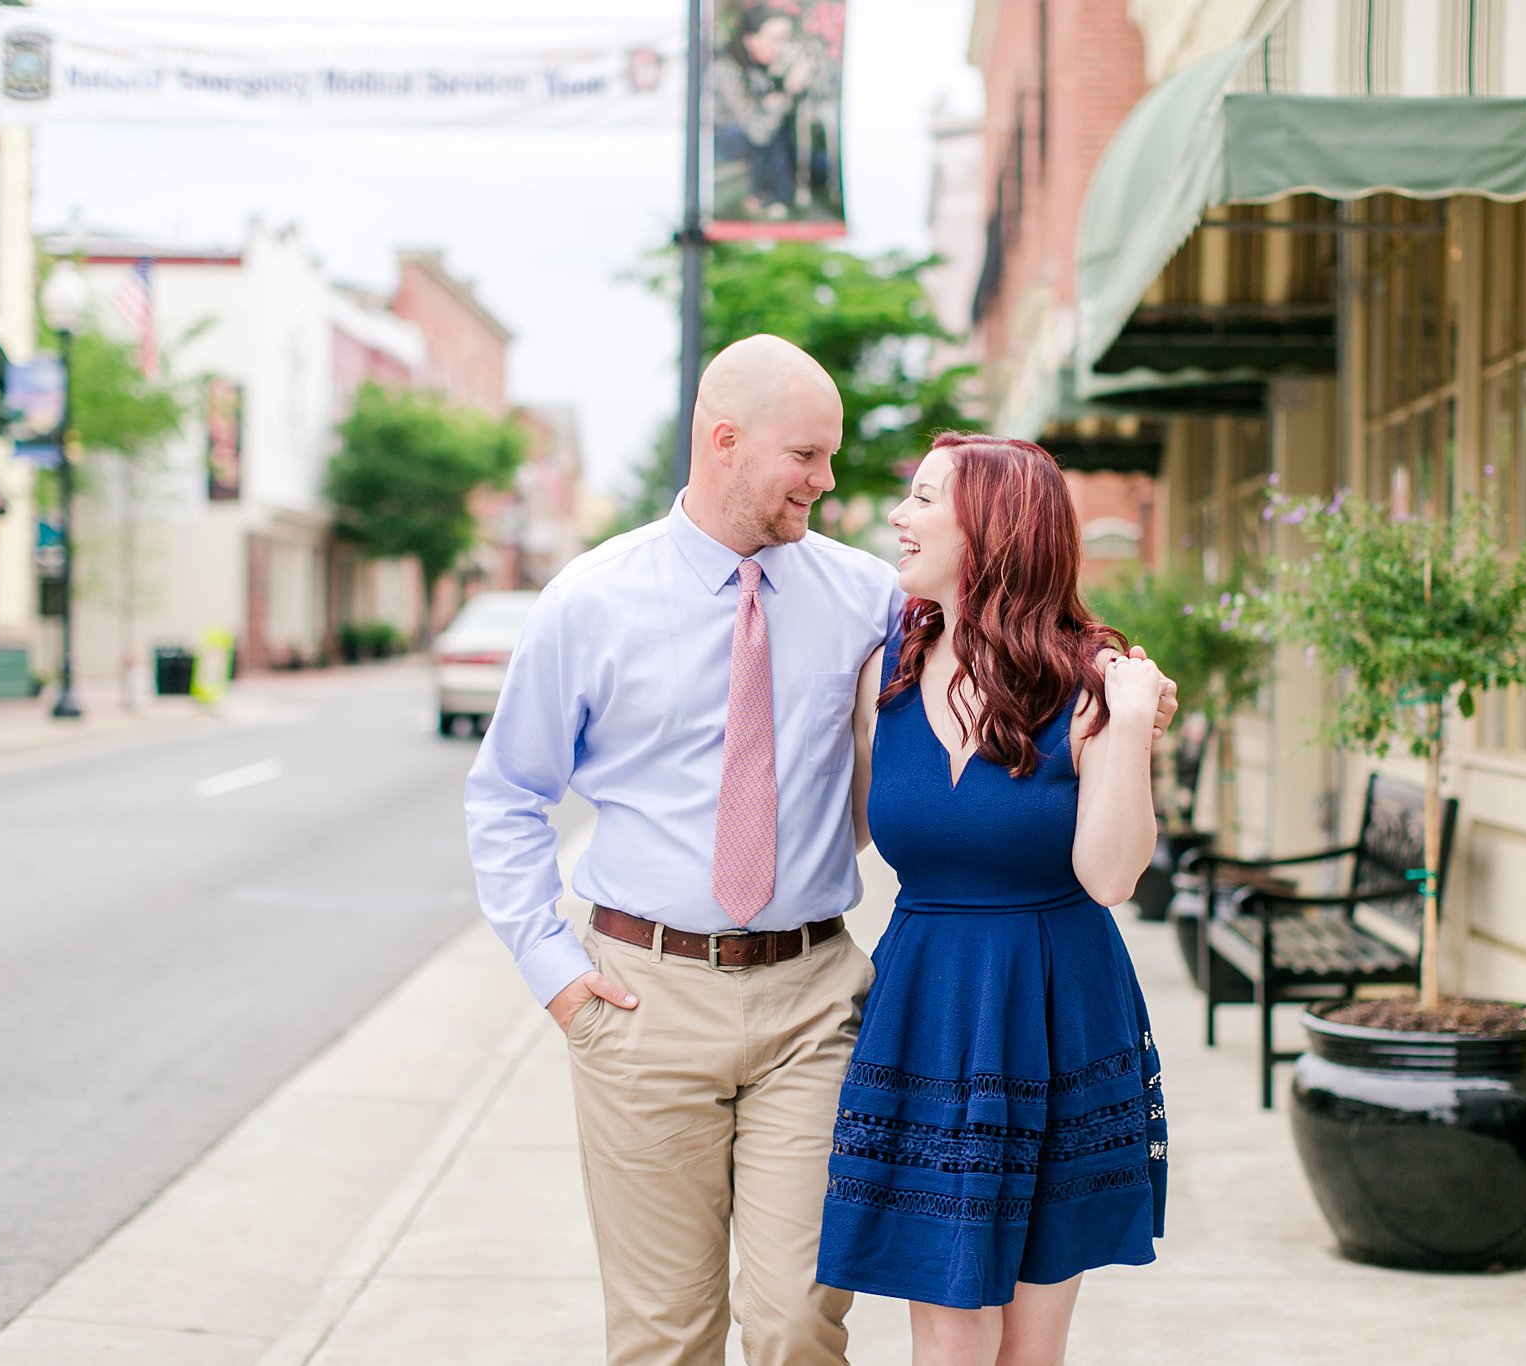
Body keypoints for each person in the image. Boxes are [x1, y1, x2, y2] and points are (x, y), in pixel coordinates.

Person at [464, 335, 1175, 1366]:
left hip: (812, 996)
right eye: (806, 454)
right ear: (725, 442)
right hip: (640, 996)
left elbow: (1014, 637)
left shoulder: (870, 603)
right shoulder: (590, 599)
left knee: (800, 1321)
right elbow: (505, 795)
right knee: (663, 1334)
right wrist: (558, 977)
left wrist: (1127, 702)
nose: (830, 481)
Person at [815, 433, 1169, 1366]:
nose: (899, 516)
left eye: (924, 499)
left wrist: (1128, 727)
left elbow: (1112, 876)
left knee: (1031, 1337)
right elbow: (842, 827)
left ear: (992, 528)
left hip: (1058, 1010)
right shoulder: (882, 667)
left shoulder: (1094, 680)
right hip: (928, 1008)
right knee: (947, 1327)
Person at [712, 5, 818, 220]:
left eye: (787, 39)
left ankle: (775, 197)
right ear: (751, 40)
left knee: (818, 162)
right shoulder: (726, 68)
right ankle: (774, 199)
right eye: (776, 39)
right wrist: (785, 92)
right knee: (775, 133)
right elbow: (758, 131)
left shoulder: (769, 66)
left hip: (761, 143)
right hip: (721, 140)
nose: (783, 47)